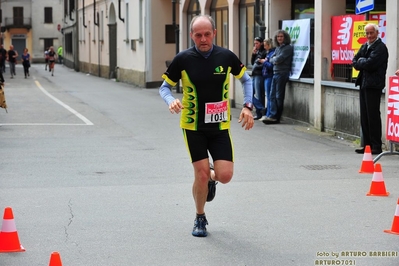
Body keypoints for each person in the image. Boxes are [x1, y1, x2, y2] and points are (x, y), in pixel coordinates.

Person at [159, 15, 254, 237]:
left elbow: (246, 80)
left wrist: (248, 106)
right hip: (193, 127)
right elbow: (164, 87)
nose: (203, 39)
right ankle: (200, 217)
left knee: (225, 175)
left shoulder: (226, 56)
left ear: (215, 33)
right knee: (199, 174)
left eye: (207, 34)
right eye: (198, 35)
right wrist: (170, 100)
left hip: (219, 126)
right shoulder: (182, 59)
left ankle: (212, 177)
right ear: (191, 35)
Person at [352, 23, 388, 155]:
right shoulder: (365, 45)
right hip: (364, 83)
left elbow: (370, 64)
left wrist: (361, 62)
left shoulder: (380, 48)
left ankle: (376, 146)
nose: (369, 35)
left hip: (374, 85)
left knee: (372, 115)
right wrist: (361, 61)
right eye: (367, 33)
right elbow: (354, 60)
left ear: (377, 33)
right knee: (365, 115)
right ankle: (367, 145)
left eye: (371, 33)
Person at [262, 30, 293, 125]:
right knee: (271, 96)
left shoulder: (288, 48)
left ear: (285, 38)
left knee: (279, 96)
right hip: (275, 73)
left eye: (281, 36)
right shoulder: (277, 48)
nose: (279, 38)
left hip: (282, 73)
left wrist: (273, 60)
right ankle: (272, 115)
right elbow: (271, 59)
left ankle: (277, 117)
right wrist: (274, 60)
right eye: (278, 36)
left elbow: (279, 59)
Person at [259, 38, 276, 122]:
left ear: (269, 45)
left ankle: (269, 114)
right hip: (266, 76)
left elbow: (271, 66)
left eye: (265, 45)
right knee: (268, 96)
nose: (264, 47)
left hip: (269, 76)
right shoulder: (268, 53)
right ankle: (267, 113)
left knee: (269, 96)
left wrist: (264, 62)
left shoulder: (272, 53)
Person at [251, 37, 267, 119]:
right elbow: (252, 63)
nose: (255, 45)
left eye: (257, 43)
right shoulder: (257, 52)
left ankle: (260, 113)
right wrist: (253, 54)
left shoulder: (264, 52)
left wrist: (257, 66)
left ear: (261, 43)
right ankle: (261, 109)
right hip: (254, 74)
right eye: (254, 43)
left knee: (259, 94)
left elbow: (264, 64)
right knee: (250, 93)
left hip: (259, 75)